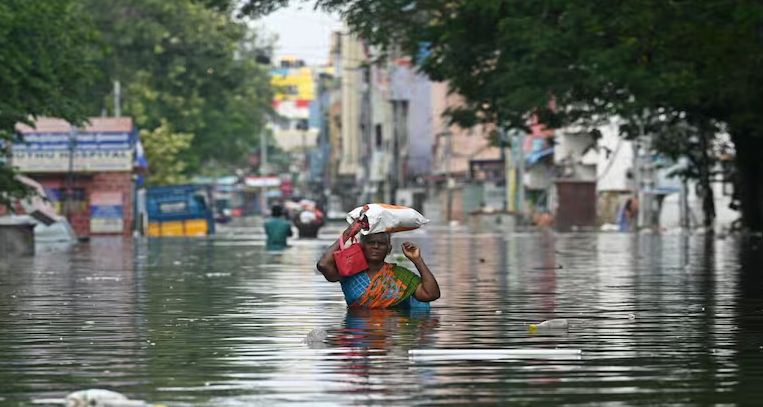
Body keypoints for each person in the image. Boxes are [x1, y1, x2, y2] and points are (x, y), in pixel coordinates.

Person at [316, 218, 440, 309]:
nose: (376, 246)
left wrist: (417, 260)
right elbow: (323, 265)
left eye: (381, 244)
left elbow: (431, 294)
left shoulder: (401, 276)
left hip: (391, 335)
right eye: (371, 243)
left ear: (389, 249)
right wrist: (348, 232)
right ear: (361, 246)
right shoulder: (349, 273)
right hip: (358, 336)